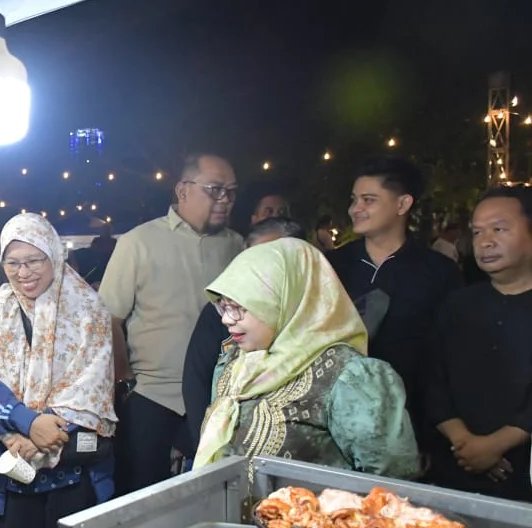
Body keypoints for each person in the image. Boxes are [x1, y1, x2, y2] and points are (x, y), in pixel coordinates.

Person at [0, 213, 117, 528]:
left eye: (34, 261)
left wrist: (41, 437)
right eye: (12, 263)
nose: (23, 272)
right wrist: (25, 423)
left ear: (54, 255)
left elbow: (91, 388)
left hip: (71, 475)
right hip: (9, 468)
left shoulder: (88, 310)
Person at [194, 238, 420, 479]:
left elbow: (391, 479)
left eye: (239, 307)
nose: (226, 319)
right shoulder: (234, 366)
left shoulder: (349, 377)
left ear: (285, 301)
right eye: (223, 306)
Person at [99, 152, 243, 496]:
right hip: (152, 394)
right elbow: (109, 319)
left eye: (231, 192)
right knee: (141, 493)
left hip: (217, 396)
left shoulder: (236, 246)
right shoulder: (139, 242)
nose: (225, 200)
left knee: (210, 492)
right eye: (215, 190)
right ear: (183, 190)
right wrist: (124, 379)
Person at [328, 157, 461, 457]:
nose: (354, 209)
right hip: (340, 422)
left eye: (368, 200)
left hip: (416, 423)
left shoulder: (439, 272)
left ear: (402, 204)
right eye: (353, 200)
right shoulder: (331, 266)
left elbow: (449, 355)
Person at [426, 187, 532, 502]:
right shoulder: (456, 305)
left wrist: (496, 445)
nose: (485, 241)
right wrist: (465, 443)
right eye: (477, 232)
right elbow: (432, 379)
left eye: (499, 229)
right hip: (456, 467)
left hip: (522, 473)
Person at [180, 217, 306, 463]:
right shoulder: (231, 359)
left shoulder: (344, 372)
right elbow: (196, 384)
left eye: (269, 260)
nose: (228, 319)